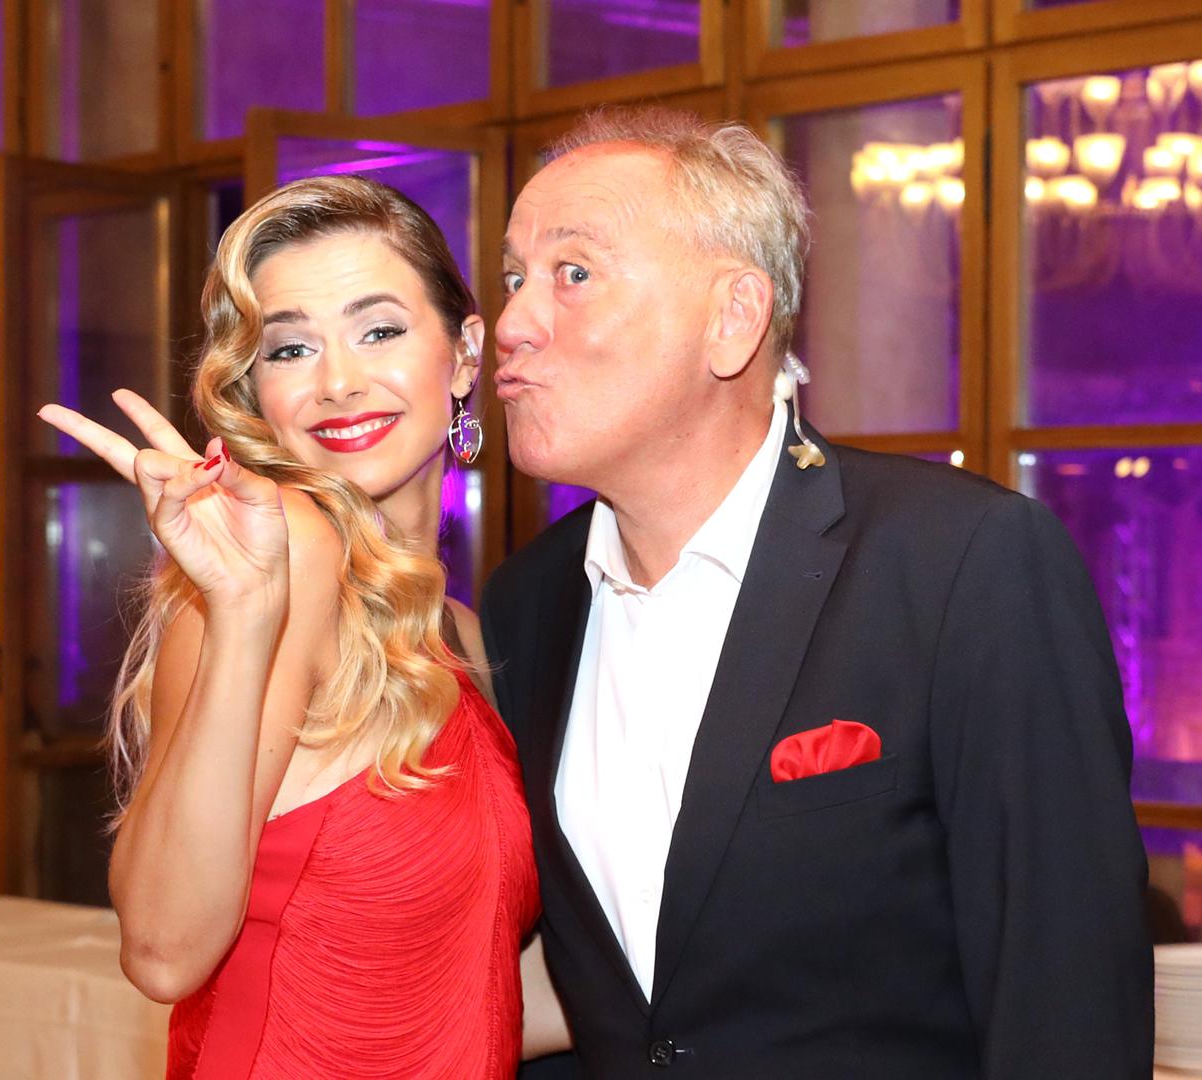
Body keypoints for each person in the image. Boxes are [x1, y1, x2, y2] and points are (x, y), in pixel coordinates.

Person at [483, 106, 1153, 1078]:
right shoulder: (529, 604)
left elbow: (1065, 1000)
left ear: (732, 317)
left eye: (573, 273)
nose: (512, 324)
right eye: (515, 278)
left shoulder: (962, 564)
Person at [38, 175, 555, 1078]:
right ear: (255, 392)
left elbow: (467, 990)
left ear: (465, 355)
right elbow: (162, 951)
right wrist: (244, 611)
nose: (338, 382)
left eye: (379, 331)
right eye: (289, 349)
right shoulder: (286, 566)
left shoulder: (464, 634)